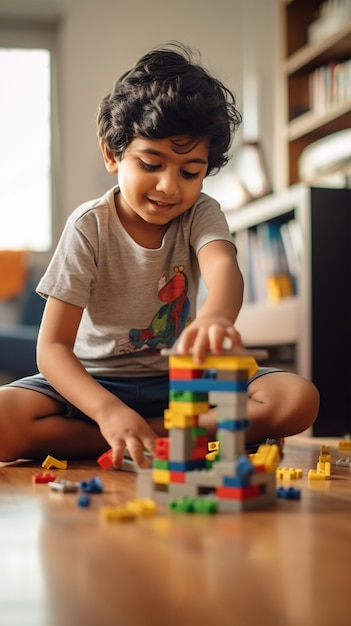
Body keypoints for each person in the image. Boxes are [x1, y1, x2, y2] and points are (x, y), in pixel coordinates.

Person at [0, 43, 319, 469]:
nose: (170, 186)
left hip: (182, 382)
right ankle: (144, 432)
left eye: (190, 172)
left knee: (298, 399)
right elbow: (53, 348)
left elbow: (223, 266)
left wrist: (216, 318)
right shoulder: (89, 225)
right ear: (113, 155)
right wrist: (108, 410)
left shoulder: (201, 213)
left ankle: (139, 435)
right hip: (96, 383)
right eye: (152, 164)